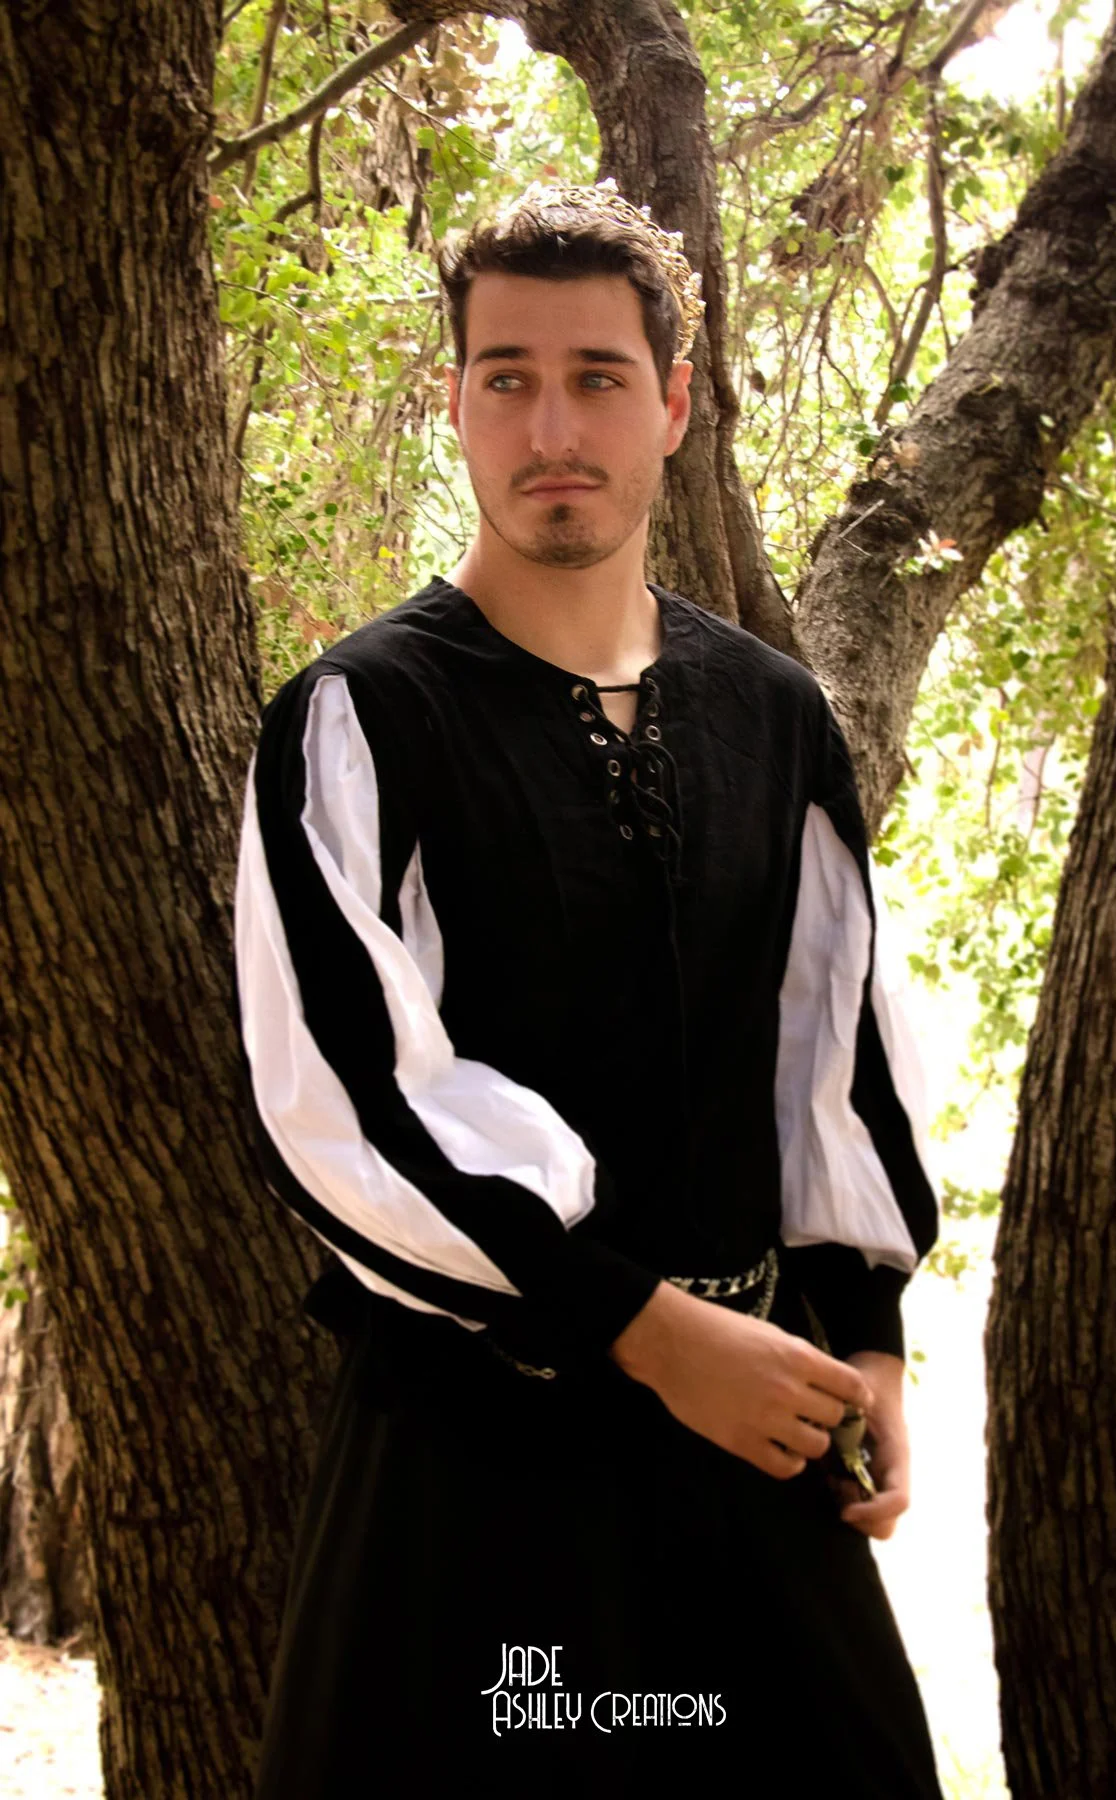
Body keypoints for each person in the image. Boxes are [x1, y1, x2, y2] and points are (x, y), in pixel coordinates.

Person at [235, 178, 944, 1797]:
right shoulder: (359, 719)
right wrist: (635, 1320)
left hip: (758, 1442)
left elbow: (834, 1047)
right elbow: (342, 1102)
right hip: (480, 1469)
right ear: (458, 401)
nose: (553, 424)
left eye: (599, 377)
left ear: (675, 403)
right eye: (509, 377)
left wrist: (868, 1332)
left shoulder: (774, 716)